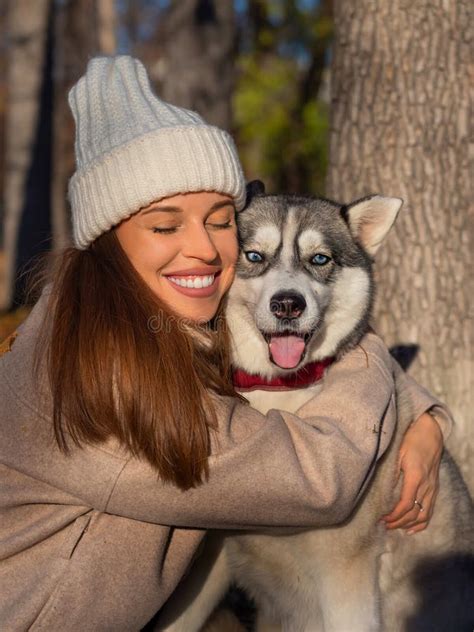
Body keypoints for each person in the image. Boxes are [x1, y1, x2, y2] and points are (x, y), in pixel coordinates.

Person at [0, 56, 452, 631]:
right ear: (106, 245)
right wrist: (370, 360)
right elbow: (321, 481)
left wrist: (427, 418)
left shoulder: (143, 324)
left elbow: (265, 342)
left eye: (218, 221)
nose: (205, 250)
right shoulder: (95, 387)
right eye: (166, 226)